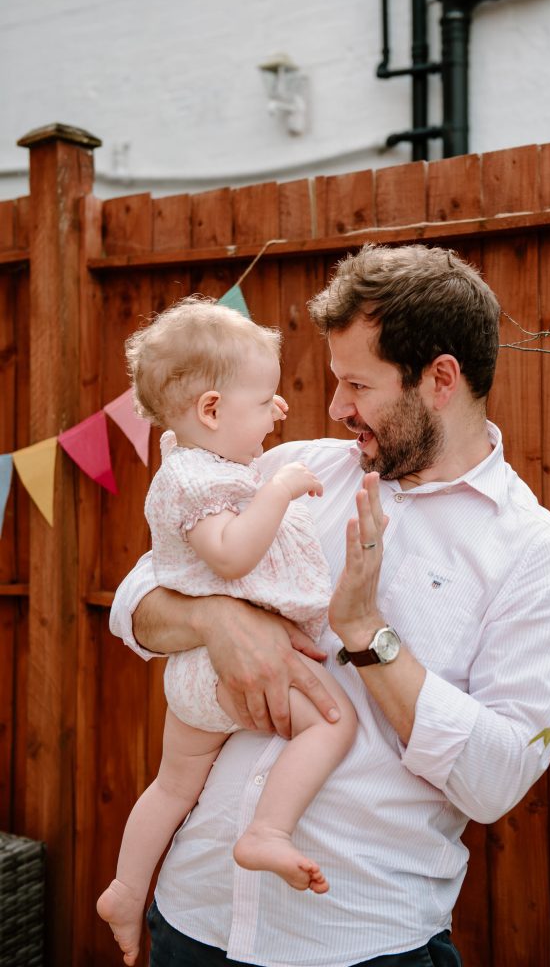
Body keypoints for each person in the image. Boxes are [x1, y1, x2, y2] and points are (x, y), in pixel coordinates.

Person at [110, 244, 550, 967]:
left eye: (356, 385)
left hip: (357, 943)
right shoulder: (286, 472)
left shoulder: (536, 556)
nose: (336, 408)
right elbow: (136, 600)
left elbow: (494, 782)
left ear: (439, 380)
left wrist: (367, 634)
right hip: (190, 918)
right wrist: (215, 619)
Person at [97, 296, 357, 966]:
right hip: (214, 675)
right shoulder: (199, 480)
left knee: (174, 786)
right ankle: (268, 830)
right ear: (211, 411)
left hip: (198, 678)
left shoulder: (202, 467)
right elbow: (231, 555)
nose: (281, 410)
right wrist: (277, 491)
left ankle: (127, 889)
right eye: (266, 398)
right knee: (333, 724)